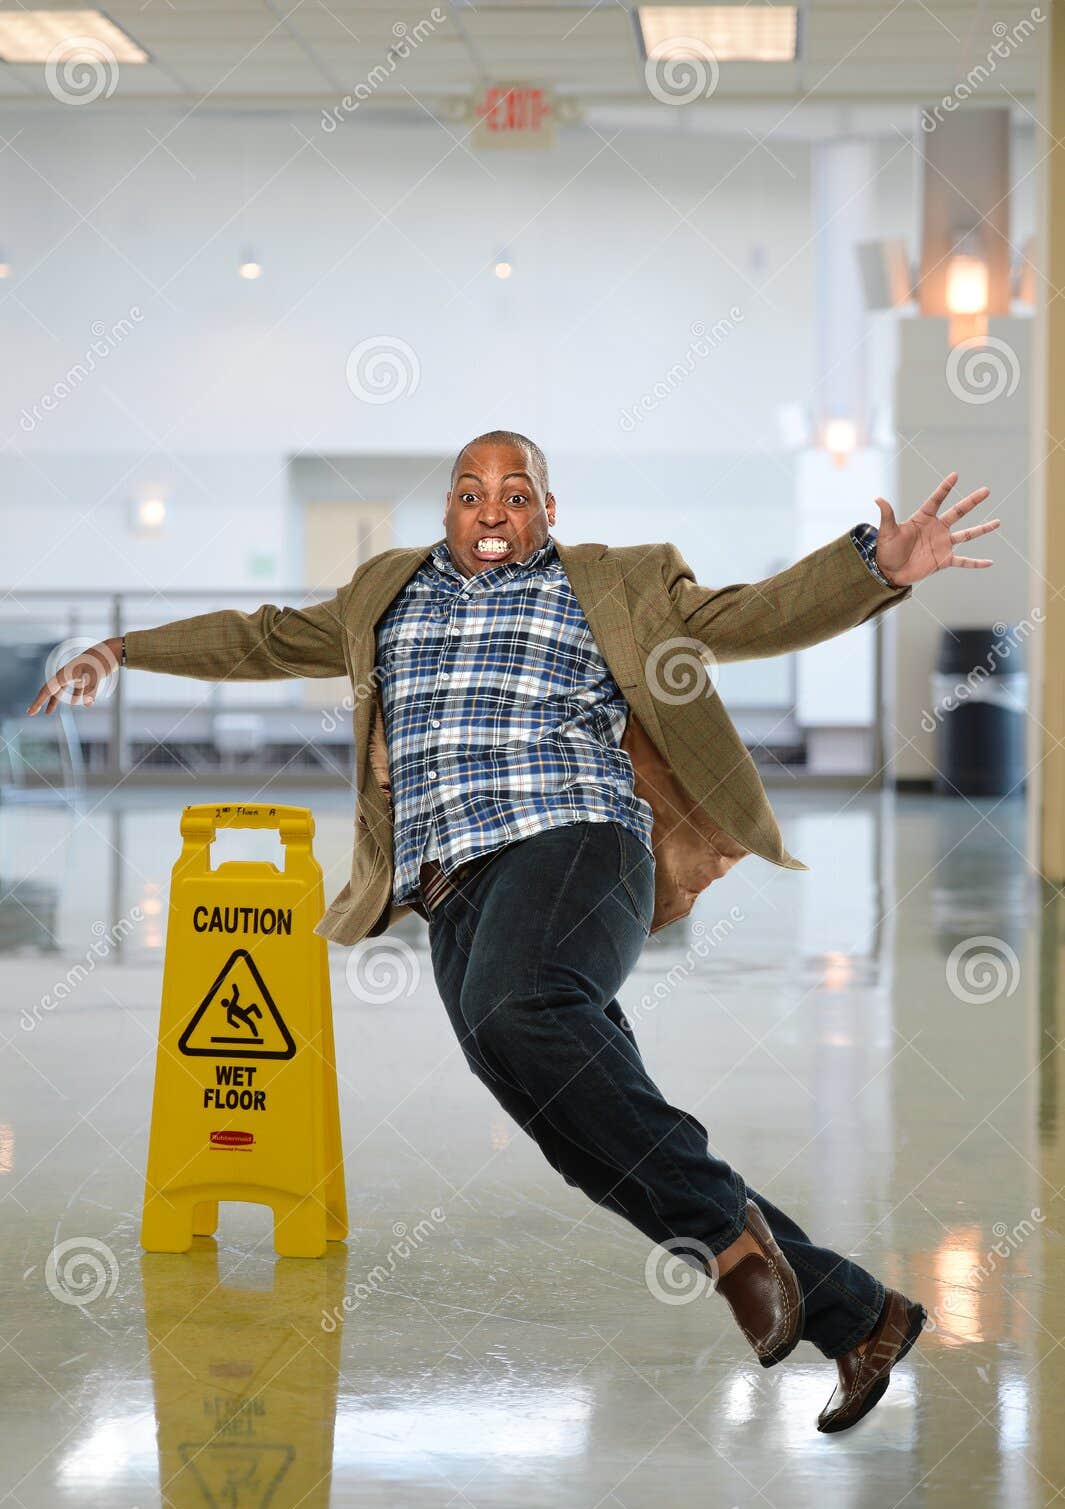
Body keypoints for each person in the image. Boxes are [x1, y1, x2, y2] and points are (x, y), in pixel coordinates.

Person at [29, 432, 1000, 1433]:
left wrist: (871, 566)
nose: (492, 511)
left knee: (521, 1009)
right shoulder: (385, 594)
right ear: (447, 511)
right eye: (468, 493)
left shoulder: (612, 586)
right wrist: (124, 649)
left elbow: (745, 617)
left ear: (548, 511)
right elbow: (264, 635)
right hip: (453, 887)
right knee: (580, 1132)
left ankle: (730, 1243)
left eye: (516, 494)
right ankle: (856, 1311)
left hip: (576, 840)